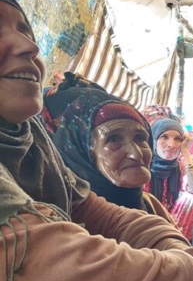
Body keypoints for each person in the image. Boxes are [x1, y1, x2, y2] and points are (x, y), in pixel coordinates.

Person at [0, 0, 193, 281]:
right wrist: (187, 268)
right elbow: (42, 258)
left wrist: (179, 252)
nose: (29, 46)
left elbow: (99, 213)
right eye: (112, 139)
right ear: (79, 149)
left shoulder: (32, 142)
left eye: (26, 30)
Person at [53, 91, 174, 223]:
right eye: (113, 139)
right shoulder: (65, 220)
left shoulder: (152, 207)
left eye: (140, 138)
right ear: (82, 154)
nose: (136, 153)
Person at [147, 118, 193, 240]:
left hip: (174, 227)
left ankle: (177, 242)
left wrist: (185, 151)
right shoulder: (143, 164)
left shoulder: (181, 164)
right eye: (164, 137)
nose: (171, 145)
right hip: (145, 225)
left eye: (178, 139)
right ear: (153, 140)